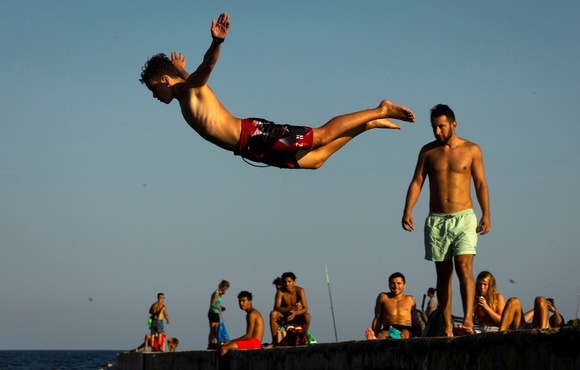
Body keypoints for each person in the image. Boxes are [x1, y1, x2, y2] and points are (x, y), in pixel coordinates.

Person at [139, 12, 416, 170]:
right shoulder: (185, 90)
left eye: (153, 90)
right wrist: (181, 70)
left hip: (254, 135)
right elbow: (194, 79)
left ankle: (381, 108)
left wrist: (216, 43)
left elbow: (205, 69)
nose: (154, 97)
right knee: (316, 161)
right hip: (249, 149)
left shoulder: (189, 91)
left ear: (164, 80)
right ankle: (367, 124)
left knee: (322, 136)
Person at [401, 103, 491, 336]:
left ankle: (468, 322)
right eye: (434, 127)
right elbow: (417, 182)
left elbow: (480, 183)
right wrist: (408, 209)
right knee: (443, 274)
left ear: (453, 124)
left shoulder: (472, 149)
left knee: (464, 267)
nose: (437, 132)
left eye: (441, 127)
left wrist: (486, 213)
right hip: (437, 220)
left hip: (464, 218)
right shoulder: (428, 151)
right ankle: (449, 326)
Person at [365, 272, 415, 340]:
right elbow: (377, 318)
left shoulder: (410, 299)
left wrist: (420, 334)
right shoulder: (383, 297)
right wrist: (374, 333)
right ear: (389, 284)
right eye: (392, 283)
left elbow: (415, 320)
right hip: (388, 328)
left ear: (404, 285)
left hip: (405, 328)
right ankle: (374, 338)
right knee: (381, 336)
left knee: (405, 335)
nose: (395, 286)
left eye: (399, 283)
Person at [269, 272, 311, 344]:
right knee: (273, 314)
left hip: (297, 317)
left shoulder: (300, 290)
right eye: (285, 282)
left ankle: (302, 338)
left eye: (289, 282)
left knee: (308, 316)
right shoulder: (281, 292)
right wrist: (292, 308)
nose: (287, 284)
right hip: (285, 316)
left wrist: (295, 313)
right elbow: (276, 307)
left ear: (294, 282)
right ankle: (275, 342)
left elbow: (305, 309)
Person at [219, 291, 264, 357]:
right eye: (239, 301)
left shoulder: (252, 314)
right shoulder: (249, 314)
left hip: (254, 343)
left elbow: (248, 336)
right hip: (252, 341)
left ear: (250, 301)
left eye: (243, 301)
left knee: (224, 349)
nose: (241, 303)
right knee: (221, 347)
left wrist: (230, 341)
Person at [498, 296, 564, 331]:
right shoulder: (540, 315)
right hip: (529, 326)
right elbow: (524, 319)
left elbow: (560, 326)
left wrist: (555, 311)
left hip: (542, 328)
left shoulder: (557, 317)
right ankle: (500, 335)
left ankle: (542, 334)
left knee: (540, 299)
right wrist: (537, 308)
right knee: (513, 301)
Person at [208, 280, 230, 349]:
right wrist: (218, 308)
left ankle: (215, 343)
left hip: (216, 313)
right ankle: (211, 344)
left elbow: (217, 304)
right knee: (212, 329)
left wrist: (221, 307)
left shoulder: (220, 293)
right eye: (225, 288)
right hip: (212, 313)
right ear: (223, 286)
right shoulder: (217, 293)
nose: (226, 289)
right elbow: (212, 304)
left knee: (217, 329)